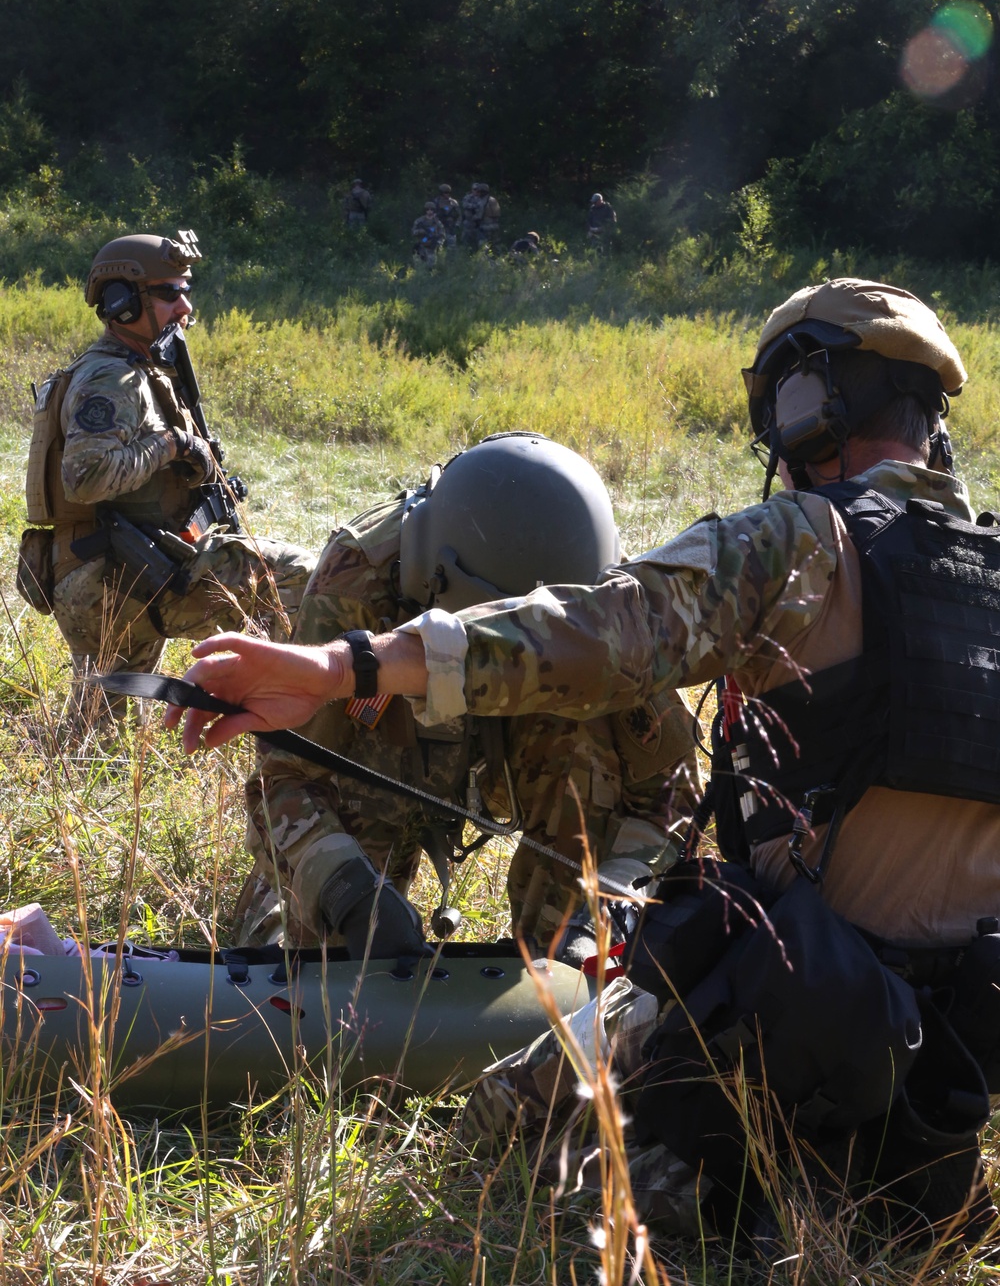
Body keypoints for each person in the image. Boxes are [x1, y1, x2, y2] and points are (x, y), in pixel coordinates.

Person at [164, 277, 1000, 1250]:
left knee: (503, 1127)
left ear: (812, 405)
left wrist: (347, 664)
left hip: (795, 1003)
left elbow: (588, 630)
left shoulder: (801, 546)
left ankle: (729, 1185)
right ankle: (867, 1187)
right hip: (952, 1042)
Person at [228, 433, 699, 951]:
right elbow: (285, 778)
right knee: (315, 959)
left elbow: (670, 796)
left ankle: (553, 964)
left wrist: (602, 917)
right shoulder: (357, 581)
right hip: (387, 762)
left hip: (533, 753)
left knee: (593, 783)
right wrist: (348, 893)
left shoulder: (604, 611)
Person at [19, 232, 315, 698]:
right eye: (168, 293)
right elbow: (85, 478)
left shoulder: (139, 369)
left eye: (185, 291)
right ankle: (292, 715)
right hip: (113, 578)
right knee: (305, 579)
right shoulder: (110, 377)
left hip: (111, 573)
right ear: (123, 303)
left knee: (103, 731)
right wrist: (174, 444)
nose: (184, 307)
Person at [460, 182, 500, 249]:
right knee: (495, 244)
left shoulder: (483, 202)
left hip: (485, 227)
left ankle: (483, 258)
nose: (477, 193)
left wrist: (473, 218)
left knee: (483, 245)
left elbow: (479, 216)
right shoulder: (492, 199)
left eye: (479, 191)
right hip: (495, 226)